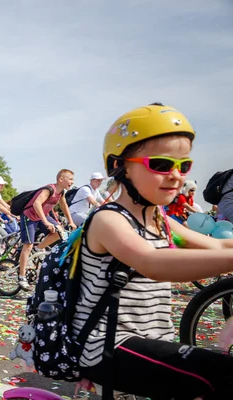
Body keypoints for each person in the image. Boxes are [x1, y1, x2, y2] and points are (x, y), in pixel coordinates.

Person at [71, 103, 233, 399]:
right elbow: (153, 261)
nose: (176, 175)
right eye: (160, 164)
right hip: (108, 346)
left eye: (184, 165)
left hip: (153, 340)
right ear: (120, 166)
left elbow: (220, 244)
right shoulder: (108, 220)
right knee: (220, 374)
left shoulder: (161, 220)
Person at [17, 170, 77, 290]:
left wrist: (71, 221)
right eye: (70, 179)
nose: (72, 181)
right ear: (61, 179)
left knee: (60, 232)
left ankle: (37, 249)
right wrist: (46, 222)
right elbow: (36, 204)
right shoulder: (49, 189)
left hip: (42, 216)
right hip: (30, 216)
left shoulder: (61, 193)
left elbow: (64, 206)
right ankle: (21, 276)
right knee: (28, 245)